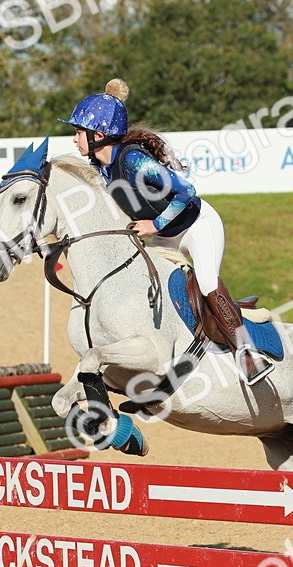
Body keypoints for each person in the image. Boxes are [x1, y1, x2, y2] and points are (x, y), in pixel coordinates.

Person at [61, 78, 273, 384]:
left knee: (206, 281)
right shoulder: (102, 168)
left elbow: (185, 190)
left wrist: (154, 225)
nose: (74, 138)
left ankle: (247, 352)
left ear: (98, 134)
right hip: (163, 236)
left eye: (78, 132)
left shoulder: (132, 160)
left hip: (196, 225)